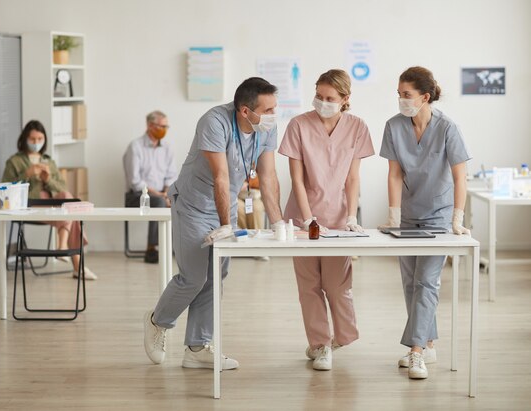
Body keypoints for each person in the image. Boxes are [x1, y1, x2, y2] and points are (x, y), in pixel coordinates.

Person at [143, 77, 284, 369]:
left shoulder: (265, 128)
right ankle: (158, 321)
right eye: (267, 109)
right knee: (194, 277)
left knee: (215, 276)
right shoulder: (214, 122)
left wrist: (278, 223)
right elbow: (220, 176)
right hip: (194, 204)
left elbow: (268, 176)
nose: (273, 115)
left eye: (274, 108)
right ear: (245, 110)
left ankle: (196, 348)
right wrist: (225, 225)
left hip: (226, 205)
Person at [278, 69, 374, 371]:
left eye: (330, 98)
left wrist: (350, 215)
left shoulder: (357, 127)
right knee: (309, 285)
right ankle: (320, 345)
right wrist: (308, 220)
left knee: (336, 284)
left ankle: (343, 336)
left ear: (345, 100)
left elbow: (353, 177)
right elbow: (297, 178)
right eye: (318, 95)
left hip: (338, 218)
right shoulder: (298, 125)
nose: (322, 102)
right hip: (303, 217)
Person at [379, 66, 471, 380]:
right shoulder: (394, 126)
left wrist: (457, 218)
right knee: (409, 284)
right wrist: (393, 215)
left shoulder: (447, 128)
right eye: (399, 95)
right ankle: (428, 343)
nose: (401, 100)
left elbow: (460, 176)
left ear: (425, 96)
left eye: (407, 95)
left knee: (427, 282)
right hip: (408, 215)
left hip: (439, 216)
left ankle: (416, 352)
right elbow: (394, 173)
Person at [2, 119, 97, 280]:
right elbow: (6, 189)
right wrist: (26, 174)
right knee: (71, 214)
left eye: (40, 139)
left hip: (53, 207)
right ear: (25, 138)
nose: (36, 143)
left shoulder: (48, 161)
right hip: (31, 207)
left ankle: (63, 245)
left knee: (68, 200)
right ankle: (75, 264)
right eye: (32, 139)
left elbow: (62, 188)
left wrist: (47, 180)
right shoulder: (14, 161)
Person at [123, 110, 178, 263]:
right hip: (137, 195)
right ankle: (151, 248)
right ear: (149, 125)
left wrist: (167, 192)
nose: (164, 130)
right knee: (159, 202)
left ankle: (179, 246)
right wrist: (161, 196)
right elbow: (135, 181)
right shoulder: (135, 147)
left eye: (166, 127)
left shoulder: (167, 147)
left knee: (184, 199)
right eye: (161, 126)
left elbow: (172, 174)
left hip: (162, 192)